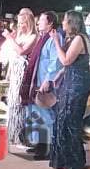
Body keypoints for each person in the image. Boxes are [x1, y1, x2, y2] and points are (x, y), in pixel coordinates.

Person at [47, 11, 90, 169]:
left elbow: (66, 60)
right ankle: (62, 160)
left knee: (70, 119)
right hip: (70, 79)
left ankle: (75, 162)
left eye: (65, 21)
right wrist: (59, 75)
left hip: (78, 82)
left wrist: (56, 42)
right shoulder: (72, 38)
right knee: (63, 117)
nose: (62, 24)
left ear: (72, 23)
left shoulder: (80, 39)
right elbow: (69, 64)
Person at [22, 11, 61, 159]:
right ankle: (38, 144)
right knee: (35, 114)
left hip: (45, 82)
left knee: (45, 115)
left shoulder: (54, 37)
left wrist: (48, 80)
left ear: (50, 23)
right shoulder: (42, 37)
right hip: (36, 81)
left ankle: (47, 148)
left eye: (42, 20)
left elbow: (55, 61)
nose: (38, 23)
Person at [4, 8, 38, 150]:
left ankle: (22, 135)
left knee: (20, 102)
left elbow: (22, 52)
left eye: (22, 23)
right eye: (18, 23)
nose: (19, 26)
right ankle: (13, 133)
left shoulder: (33, 37)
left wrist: (10, 38)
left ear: (28, 23)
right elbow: (11, 54)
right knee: (12, 102)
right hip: (14, 72)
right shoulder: (18, 36)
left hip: (23, 73)